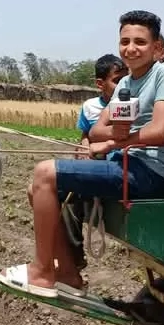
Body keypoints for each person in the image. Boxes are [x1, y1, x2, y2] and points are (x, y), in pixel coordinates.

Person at [0, 10, 164, 297]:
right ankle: (68, 274)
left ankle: (42, 272)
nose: (131, 48)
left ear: (157, 47)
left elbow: (159, 130)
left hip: (147, 172)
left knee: (45, 172)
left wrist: (117, 141)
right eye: (125, 41)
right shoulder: (126, 83)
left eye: (140, 42)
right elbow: (96, 131)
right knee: (36, 189)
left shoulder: (163, 74)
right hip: (124, 164)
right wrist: (115, 137)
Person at [64, 53, 127, 267]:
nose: (122, 85)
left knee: (63, 185)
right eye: (117, 80)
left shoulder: (131, 104)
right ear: (100, 84)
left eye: (125, 78)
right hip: (96, 163)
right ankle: (73, 256)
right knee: (68, 194)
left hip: (118, 165)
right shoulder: (90, 106)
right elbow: (85, 136)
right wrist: (83, 147)